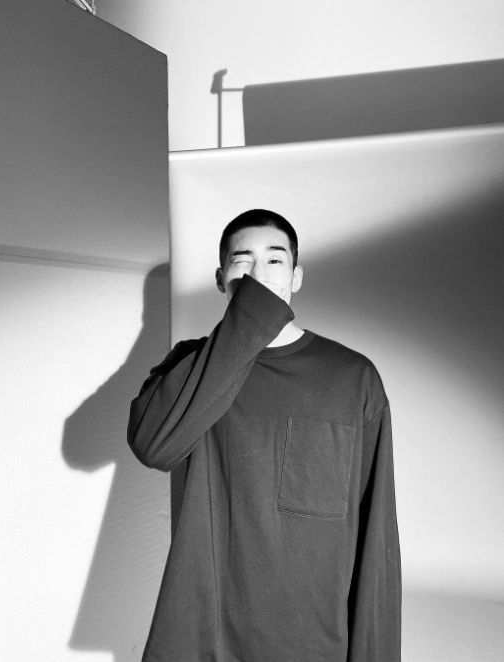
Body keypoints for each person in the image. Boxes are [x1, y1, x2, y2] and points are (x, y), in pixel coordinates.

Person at [127, 209, 402, 662]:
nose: (259, 274)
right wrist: (247, 321)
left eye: (275, 260)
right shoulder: (192, 367)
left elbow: (377, 537)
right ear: (221, 279)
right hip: (207, 640)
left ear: (297, 276)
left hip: (314, 643)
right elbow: (153, 446)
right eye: (243, 261)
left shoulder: (353, 377)